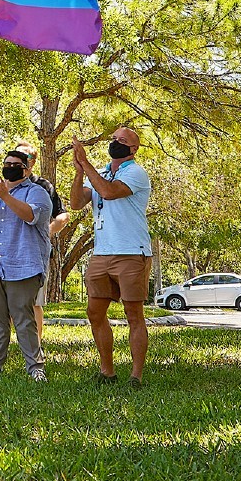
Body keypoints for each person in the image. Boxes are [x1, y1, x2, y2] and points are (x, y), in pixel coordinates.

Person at [68, 126, 154, 388]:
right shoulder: (100, 173)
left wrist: (85, 161)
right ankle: (107, 371)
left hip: (131, 253)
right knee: (94, 312)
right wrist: (79, 171)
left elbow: (108, 192)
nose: (116, 142)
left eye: (122, 140)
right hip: (102, 253)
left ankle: (136, 376)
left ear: (134, 148)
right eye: (114, 138)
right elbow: (75, 202)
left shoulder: (136, 173)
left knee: (133, 314)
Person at [0, 150, 52, 381]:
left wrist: (5, 196)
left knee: (23, 317)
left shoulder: (37, 192)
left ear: (26, 169)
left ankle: (35, 368)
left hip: (23, 264)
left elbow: (32, 216)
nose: (10, 167)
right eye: (7, 164)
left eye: (16, 164)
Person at [12, 142, 70, 338]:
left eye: (24, 158)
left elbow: (62, 215)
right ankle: (14, 343)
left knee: (34, 301)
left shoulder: (43, 187)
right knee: (10, 301)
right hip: (9, 252)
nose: (18, 161)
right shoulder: (6, 185)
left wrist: (46, 232)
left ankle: (35, 345)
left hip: (34, 253)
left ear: (33, 162)